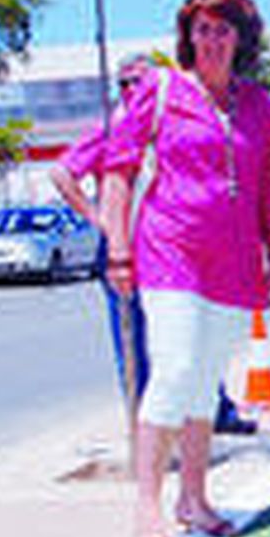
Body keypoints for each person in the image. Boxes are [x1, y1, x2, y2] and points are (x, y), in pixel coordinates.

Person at [99, 0, 270, 537]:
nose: (211, 40)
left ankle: (196, 499)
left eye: (222, 30)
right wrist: (117, 248)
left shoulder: (255, 102)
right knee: (176, 366)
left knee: (206, 378)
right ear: (188, 36)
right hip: (169, 250)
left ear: (241, 38)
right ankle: (148, 505)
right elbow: (118, 170)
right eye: (202, 30)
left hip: (233, 260)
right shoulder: (159, 90)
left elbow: (268, 182)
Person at [49, 57, 255, 436]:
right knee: (136, 345)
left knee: (193, 333)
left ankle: (215, 410)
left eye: (140, 82)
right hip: (123, 253)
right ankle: (151, 429)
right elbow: (62, 174)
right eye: (125, 84)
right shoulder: (112, 129)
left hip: (170, 248)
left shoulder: (171, 123)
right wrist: (99, 220)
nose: (132, 90)